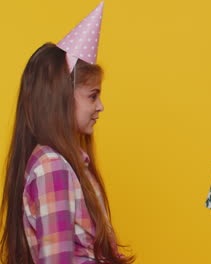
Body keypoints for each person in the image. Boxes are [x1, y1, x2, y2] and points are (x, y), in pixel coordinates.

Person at [0, 3, 134, 264]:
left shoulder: (69, 165)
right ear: (59, 99)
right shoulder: (53, 168)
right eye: (92, 96)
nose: (101, 106)